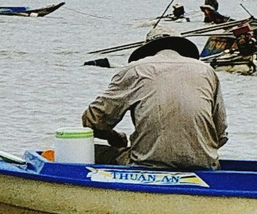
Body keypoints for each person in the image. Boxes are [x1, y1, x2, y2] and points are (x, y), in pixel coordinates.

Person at [82, 35, 228, 170]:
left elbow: (93, 121)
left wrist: (115, 137)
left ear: (147, 52)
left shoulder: (135, 69)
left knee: (89, 151)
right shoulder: (206, 70)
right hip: (205, 165)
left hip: (146, 164)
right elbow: (221, 134)